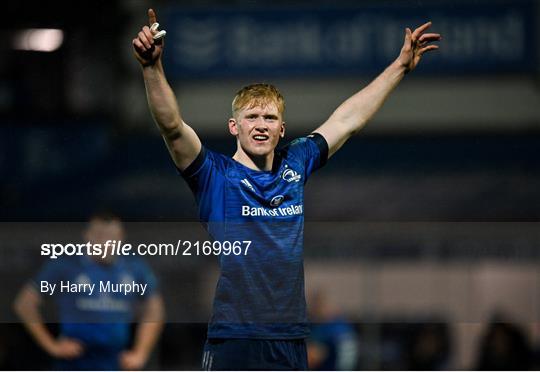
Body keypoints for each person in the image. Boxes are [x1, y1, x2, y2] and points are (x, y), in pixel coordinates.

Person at [132, 8, 440, 370]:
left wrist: (400, 66)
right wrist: (152, 68)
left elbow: (348, 120)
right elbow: (171, 125)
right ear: (234, 126)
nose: (260, 126)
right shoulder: (214, 175)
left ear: (282, 129)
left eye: (270, 118)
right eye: (251, 117)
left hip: (290, 340)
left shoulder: (296, 162)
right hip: (235, 339)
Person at [13, 212, 164, 370]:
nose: (105, 242)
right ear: (87, 236)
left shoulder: (134, 267)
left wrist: (141, 353)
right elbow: (24, 304)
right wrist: (52, 346)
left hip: (115, 362)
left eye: (111, 237)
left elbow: (154, 310)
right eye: (99, 236)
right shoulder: (65, 265)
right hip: (74, 361)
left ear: (121, 238)